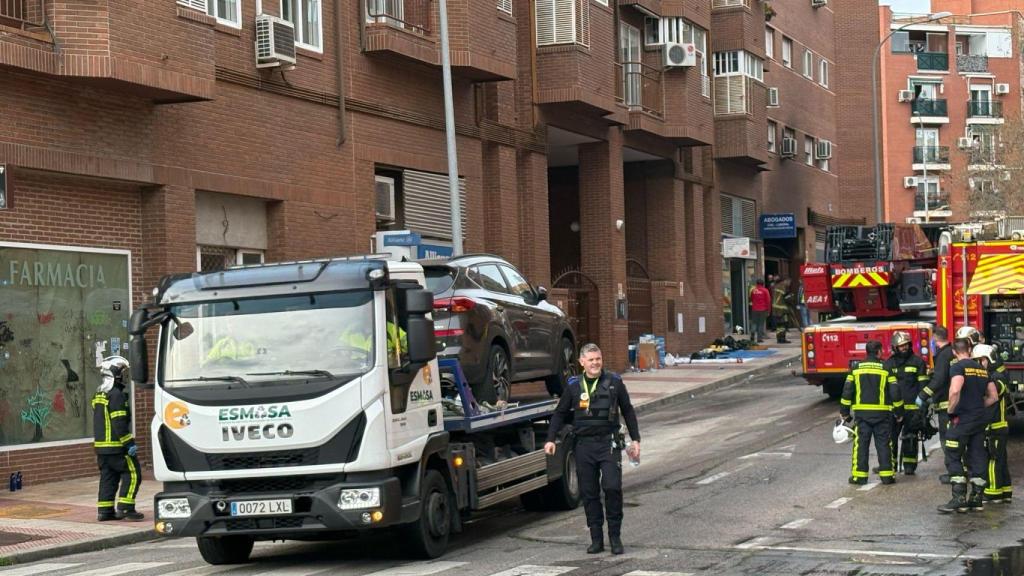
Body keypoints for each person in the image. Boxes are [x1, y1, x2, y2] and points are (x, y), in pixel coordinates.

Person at [544, 343, 640, 555]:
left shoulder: (614, 382)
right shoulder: (573, 386)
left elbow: (628, 410)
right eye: (591, 359)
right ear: (582, 362)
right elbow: (559, 413)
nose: (595, 363)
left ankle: (615, 537)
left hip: (608, 443)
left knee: (612, 487)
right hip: (584, 446)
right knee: (589, 493)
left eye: (598, 359)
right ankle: (596, 538)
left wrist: (636, 440)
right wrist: (551, 438)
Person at [937, 338, 999, 513]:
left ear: (955, 353)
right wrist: (978, 406)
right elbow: (993, 396)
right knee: (978, 455)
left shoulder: (957, 367)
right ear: (970, 350)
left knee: (953, 454)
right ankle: (976, 498)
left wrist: (951, 410)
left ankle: (959, 498)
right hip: (979, 420)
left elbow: (955, 390)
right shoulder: (981, 369)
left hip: (962, 420)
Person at [840, 340, 903, 485]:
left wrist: (844, 412)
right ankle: (887, 476)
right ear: (879, 351)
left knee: (861, 445)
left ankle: (859, 477)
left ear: (866, 352)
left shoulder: (856, 369)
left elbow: (847, 391)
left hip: (862, 415)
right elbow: (895, 392)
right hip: (882, 415)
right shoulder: (886, 368)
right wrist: (899, 412)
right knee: (884, 444)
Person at [91, 356, 144, 522]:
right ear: (115, 374)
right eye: (123, 373)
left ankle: (105, 511)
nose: (125, 376)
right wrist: (129, 443)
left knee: (108, 477)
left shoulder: (99, 394)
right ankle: (126, 508)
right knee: (134, 473)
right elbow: (119, 422)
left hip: (102, 448)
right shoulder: (116, 395)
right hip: (117, 447)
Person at [884, 331, 929, 475]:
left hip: (912, 409)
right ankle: (890, 465)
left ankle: (909, 466)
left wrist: (922, 408)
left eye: (905, 345)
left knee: (911, 438)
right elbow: (885, 388)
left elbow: (923, 386)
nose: (904, 348)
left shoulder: (918, 362)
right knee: (890, 438)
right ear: (895, 348)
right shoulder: (889, 364)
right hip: (893, 409)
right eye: (900, 346)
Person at [974, 344, 1013, 504]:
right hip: (998, 425)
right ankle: (1004, 491)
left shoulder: (997, 377)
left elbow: (992, 393)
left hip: (995, 426)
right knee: (1000, 459)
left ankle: (992, 493)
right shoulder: (996, 374)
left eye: (979, 361)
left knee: (992, 459)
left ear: (987, 359)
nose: (977, 365)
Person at [917, 326, 955, 483]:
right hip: (954, 403)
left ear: (935, 340)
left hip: (946, 405)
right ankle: (960, 470)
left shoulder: (942, 355)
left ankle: (954, 473)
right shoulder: (951, 352)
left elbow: (939, 380)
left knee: (947, 440)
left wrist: (923, 395)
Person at [749, 279, 771, 344]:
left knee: (754, 323)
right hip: (763, 309)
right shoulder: (765, 290)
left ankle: (752, 335)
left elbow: (752, 299)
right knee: (761, 324)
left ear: (756, 283)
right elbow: (768, 301)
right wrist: (768, 310)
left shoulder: (753, 290)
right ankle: (759, 338)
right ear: (763, 284)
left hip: (754, 309)